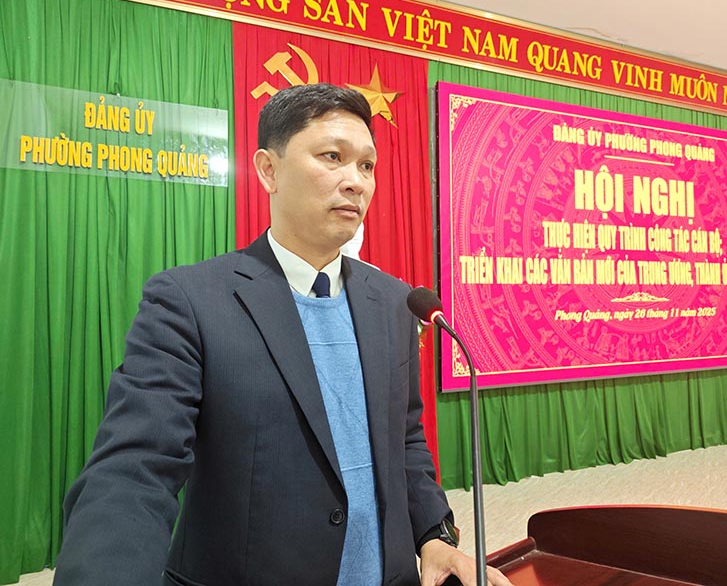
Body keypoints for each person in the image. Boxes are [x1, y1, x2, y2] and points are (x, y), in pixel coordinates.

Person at [53, 83, 512, 586]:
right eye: (332, 157)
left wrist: (433, 534)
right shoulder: (190, 301)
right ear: (268, 170)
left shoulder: (394, 302)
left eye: (367, 165)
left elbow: (404, 439)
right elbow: (134, 470)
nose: (355, 182)